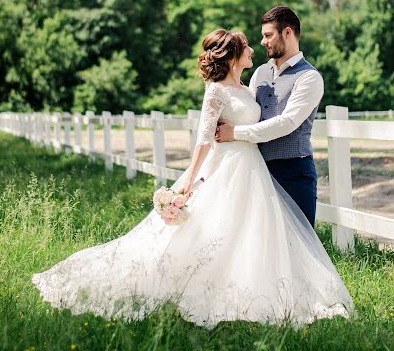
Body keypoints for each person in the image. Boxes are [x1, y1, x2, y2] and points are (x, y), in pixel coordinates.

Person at [32, 28, 353, 327]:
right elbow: (204, 138)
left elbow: (282, 121)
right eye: (247, 46)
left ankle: (258, 295)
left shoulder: (249, 86)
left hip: (253, 168)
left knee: (251, 234)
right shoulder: (218, 90)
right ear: (231, 56)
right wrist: (189, 180)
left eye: (263, 38)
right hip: (227, 165)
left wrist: (236, 132)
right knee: (213, 232)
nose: (255, 47)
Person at [216, 7, 322, 227]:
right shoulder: (260, 73)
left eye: (268, 35)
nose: (262, 42)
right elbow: (248, 111)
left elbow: (287, 123)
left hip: (293, 172)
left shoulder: (309, 77)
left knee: (299, 247)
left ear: (288, 33)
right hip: (257, 169)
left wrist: (234, 133)